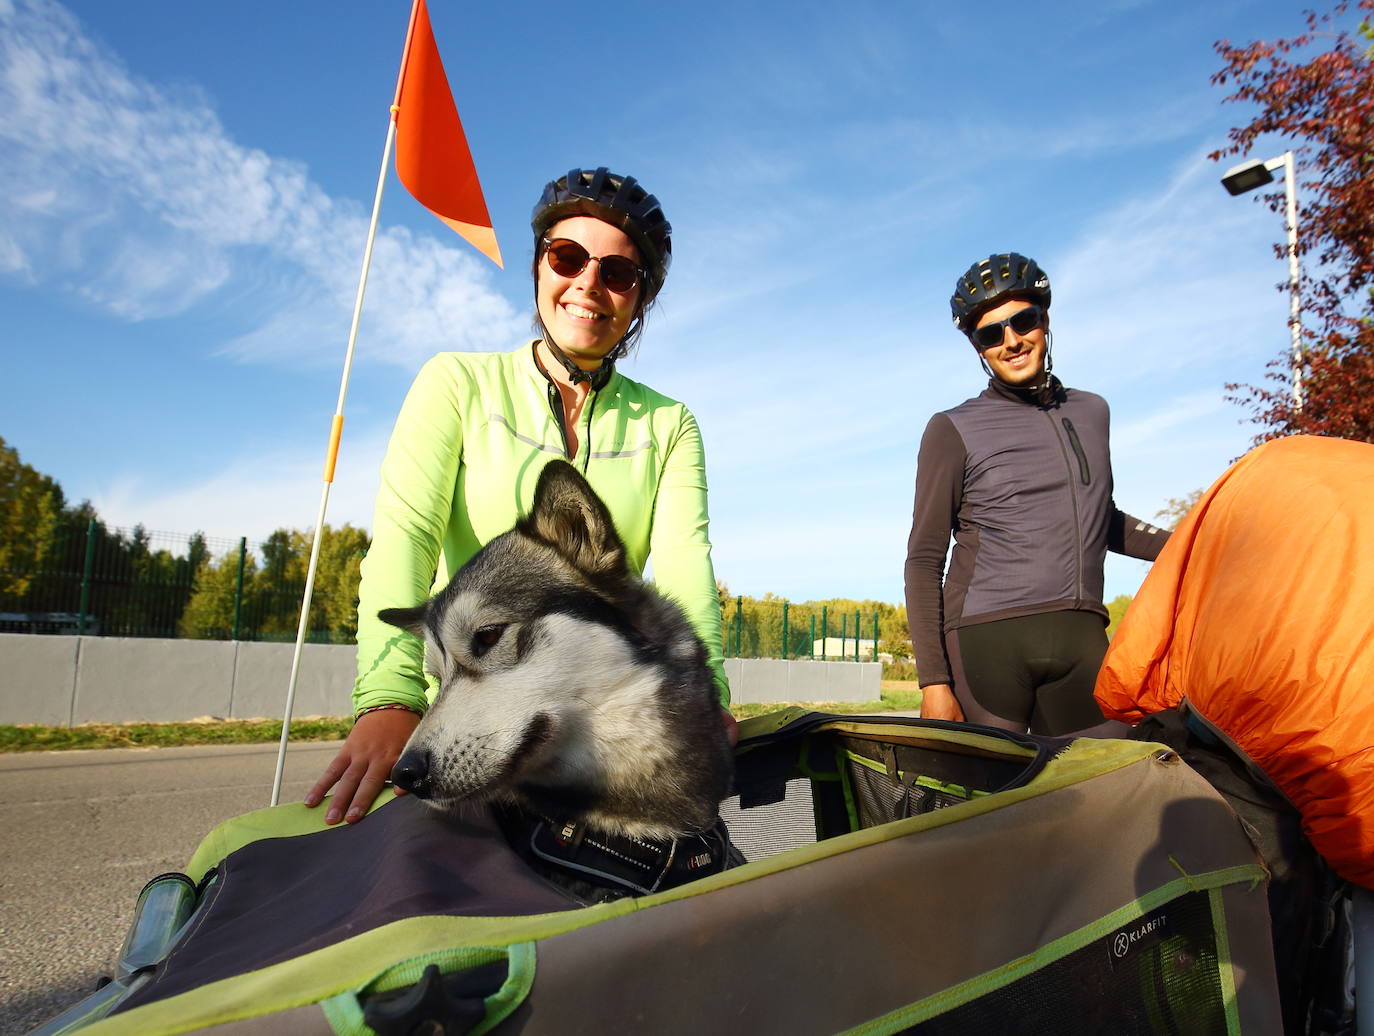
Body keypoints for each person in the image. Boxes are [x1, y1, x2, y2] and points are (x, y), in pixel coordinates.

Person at [306, 167, 732, 825]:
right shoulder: (457, 383)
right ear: (539, 267)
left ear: (639, 300)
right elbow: (405, 538)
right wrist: (388, 701)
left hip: (594, 739)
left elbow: (685, 568)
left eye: (618, 273)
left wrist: (711, 700)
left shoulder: (669, 424)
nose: (590, 281)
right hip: (454, 717)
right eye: (569, 257)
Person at [903, 252, 1168, 737]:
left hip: (1081, 634)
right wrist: (933, 682)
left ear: (1044, 321)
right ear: (978, 348)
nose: (1011, 341)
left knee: (1102, 795)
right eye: (990, 334)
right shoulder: (952, 428)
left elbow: (1098, 519)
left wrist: (1194, 542)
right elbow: (923, 558)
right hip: (986, 642)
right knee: (995, 806)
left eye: (1023, 321)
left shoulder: (1092, 412)